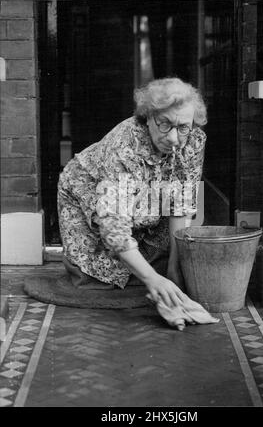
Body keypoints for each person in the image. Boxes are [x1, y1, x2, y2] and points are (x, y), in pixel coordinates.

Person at [57, 77, 207, 310]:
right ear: (148, 117)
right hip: (90, 197)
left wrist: (174, 269)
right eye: (164, 124)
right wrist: (152, 279)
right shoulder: (123, 144)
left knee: (169, 260)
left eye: (183, 128)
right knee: (104, 273)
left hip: (143, 198)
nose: (174, 138)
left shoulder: (194, 140)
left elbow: (182, 202)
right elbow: (114, 226)